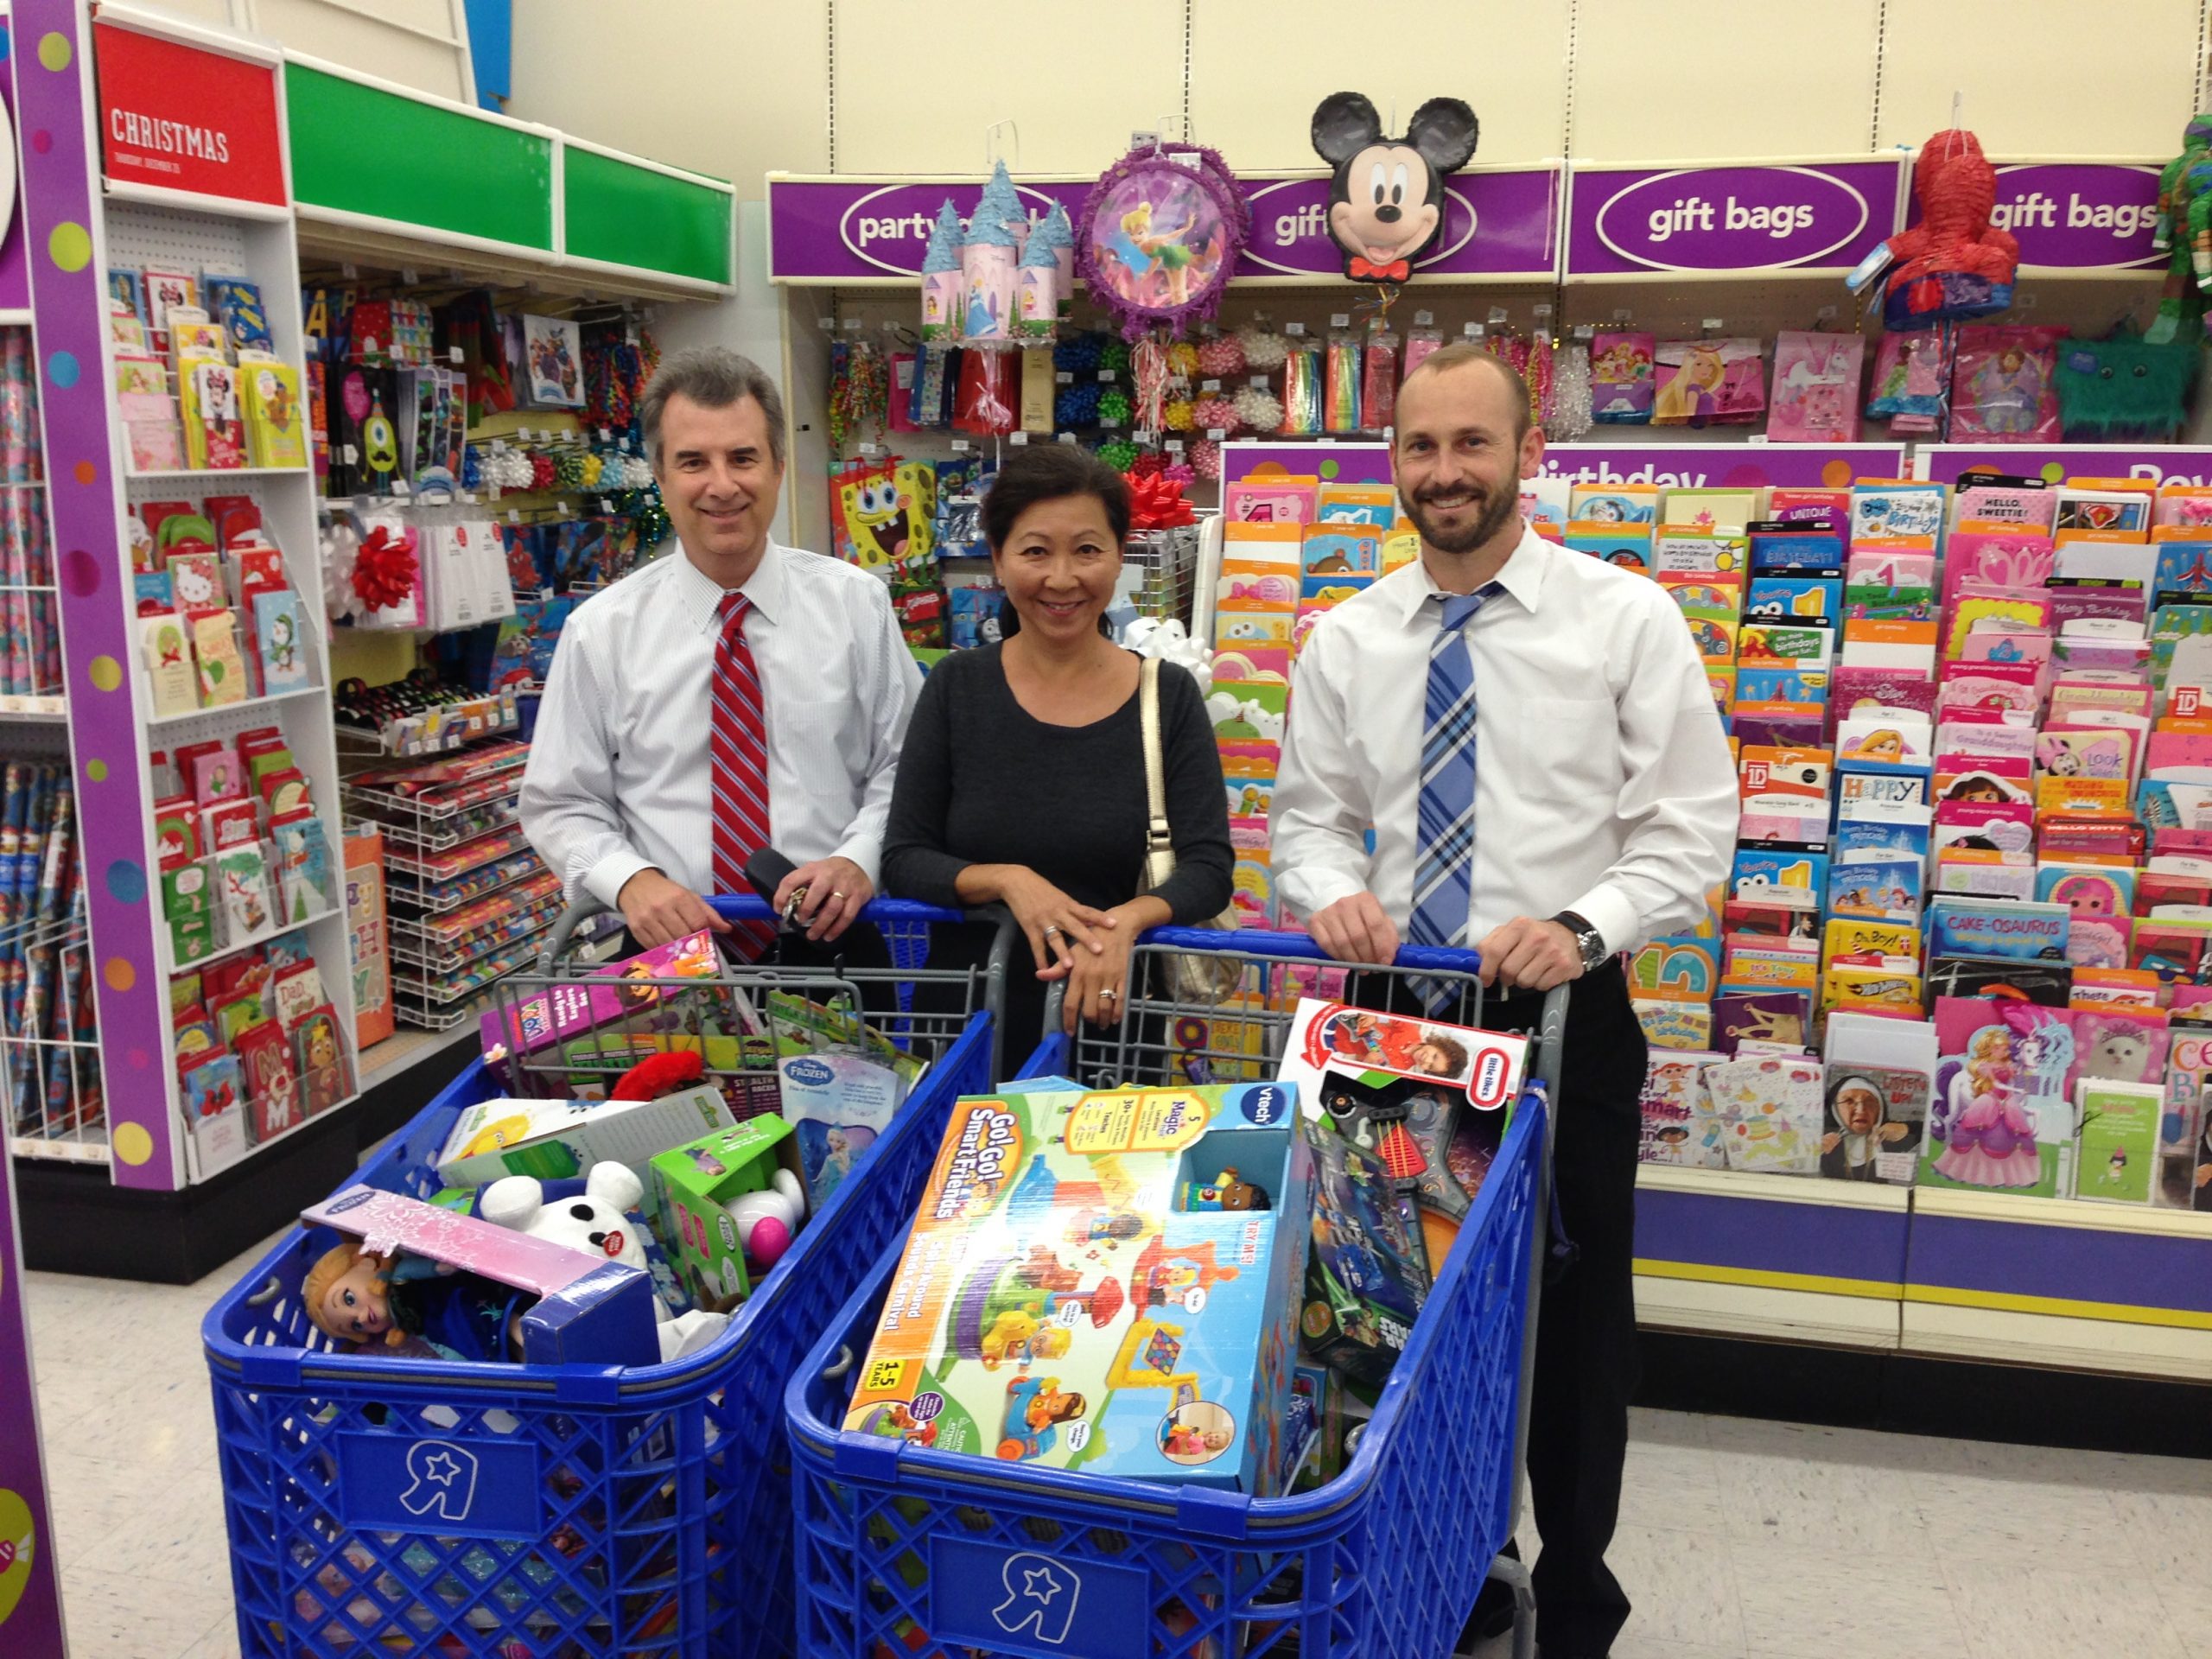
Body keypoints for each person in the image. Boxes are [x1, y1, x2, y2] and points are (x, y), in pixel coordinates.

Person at [1270, 342, 1737, 1659]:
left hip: (1563, 1022)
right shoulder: (1348, 638)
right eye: (1421, 447)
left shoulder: (1623, 621)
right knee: (1378, 1310)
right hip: (1391, 1020)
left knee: (1574, 1335)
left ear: (1531, 452)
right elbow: (1308, 822)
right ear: (1393, 462)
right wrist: (1328, 891)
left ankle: (1576, 1601)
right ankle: (1444, 1567)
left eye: (1472, 443)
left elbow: (1691, 830)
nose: (1445, 472)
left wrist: (1584, 928)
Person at [520, 347, 919, 969]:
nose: (723, 485)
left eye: (742, 458)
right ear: (660, 476)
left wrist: (859, 858)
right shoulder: (600, 631)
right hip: (668, 954)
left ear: (779, 467)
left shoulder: (856, 605)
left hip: (837, 940)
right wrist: (630, 880)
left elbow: (907, 765)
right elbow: (560, 801)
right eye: (693, 462)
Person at [881, 445, 1232, 1046]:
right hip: (967, 1028)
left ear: (1119, 556)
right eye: (1036, 551)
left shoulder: (1167, 695)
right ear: (998, 558)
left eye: (1088, 550)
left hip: (1113, 1028)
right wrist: (1009, 880)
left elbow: (1208, 868)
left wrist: (1126, 922)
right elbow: (905, 857)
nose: (1063, 578)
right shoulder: (957, 687)